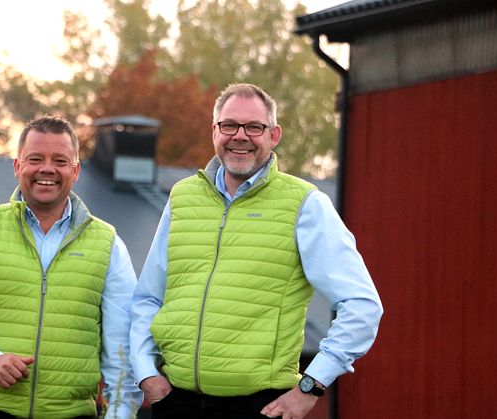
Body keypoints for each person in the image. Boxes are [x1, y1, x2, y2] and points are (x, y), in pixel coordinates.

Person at [129, 83, 383, 419]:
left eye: (254, 127)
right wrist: (145, 371)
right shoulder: (182, 197)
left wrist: (311, 386)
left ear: (274, 135)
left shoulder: (305, 205)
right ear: (214, 132)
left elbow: (362, 306)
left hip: (259, 407)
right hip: (176, 403)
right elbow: (149, 297)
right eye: (229, 125)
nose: (240, 136)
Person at [0, 115, 142, 419]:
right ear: (17, 167)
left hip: (71, 414)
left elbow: (123, 348)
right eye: (35, 159)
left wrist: (121, 415)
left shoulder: (108, 244)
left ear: (76, 170)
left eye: (60, 160)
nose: (47, 169)